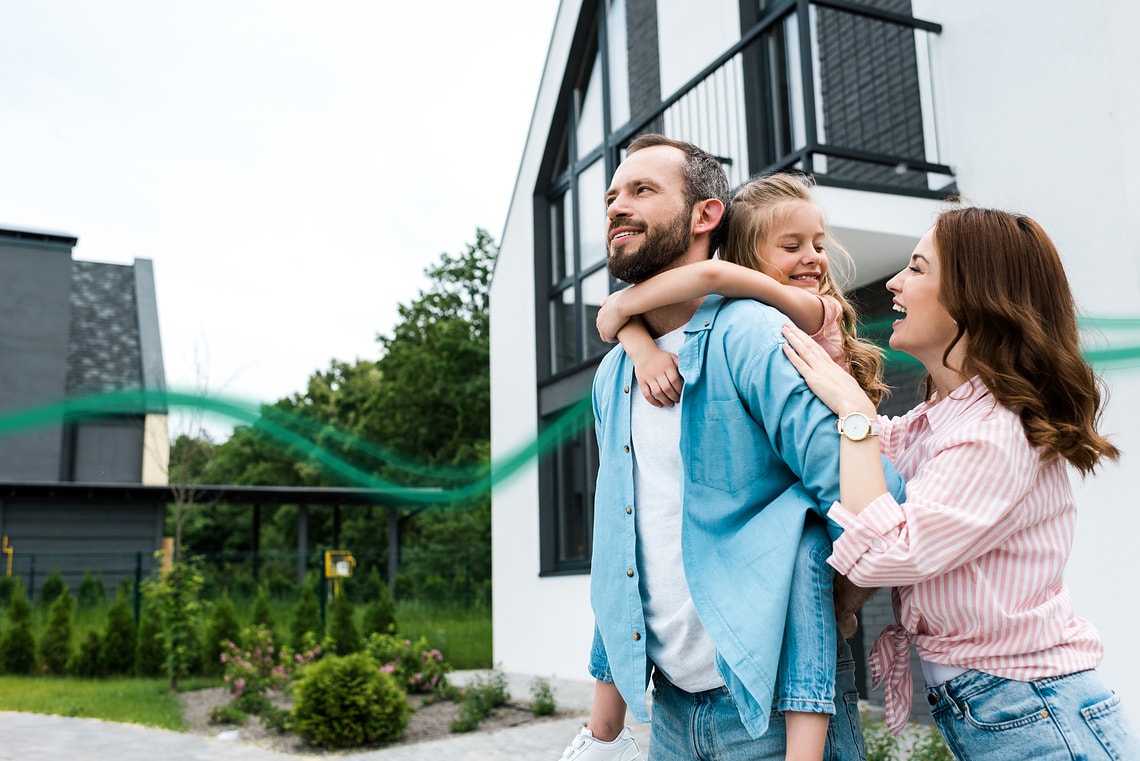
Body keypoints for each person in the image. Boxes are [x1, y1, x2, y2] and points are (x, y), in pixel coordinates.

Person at [560, 133, 904, 761]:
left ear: (705, 215)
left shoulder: (755, 335)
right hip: (668, 713)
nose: (615, 205)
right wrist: (600, 729)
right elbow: (623, 548)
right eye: (611, 195)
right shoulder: (614, 374)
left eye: (642, 190)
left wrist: (836, 608)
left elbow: (863, 495)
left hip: (775, 714)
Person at [780, 206, 1140, 760]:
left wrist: (852, 410)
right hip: (1009, 707)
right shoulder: (944, 416)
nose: (895, 283)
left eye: (918, 269)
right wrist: (829, 362)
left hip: (1034, 713)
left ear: (975, 297)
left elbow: (884, 552)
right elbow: (875, 449)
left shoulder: (995, 431)